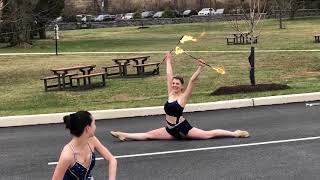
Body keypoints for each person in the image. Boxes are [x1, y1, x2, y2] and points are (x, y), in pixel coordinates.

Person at [110, 53, 249, 141]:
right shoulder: (170, 93)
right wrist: (168, 60)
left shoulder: (183, 97)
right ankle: (124, 134)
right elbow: (169, 75)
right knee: (148, 135)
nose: (174, 85)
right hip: (169, 129)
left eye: (177, 84)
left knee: (207, 135)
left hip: (182, 128)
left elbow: (192, 81)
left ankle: (235, 133)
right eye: (173, 83)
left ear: (181, 86)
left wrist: (200, 68)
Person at [52, 111, 117, 180]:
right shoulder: (67, 155)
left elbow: (112, 160)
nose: (95, 127)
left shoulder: (92, 140)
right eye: (94, 124)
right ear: (87, 128)